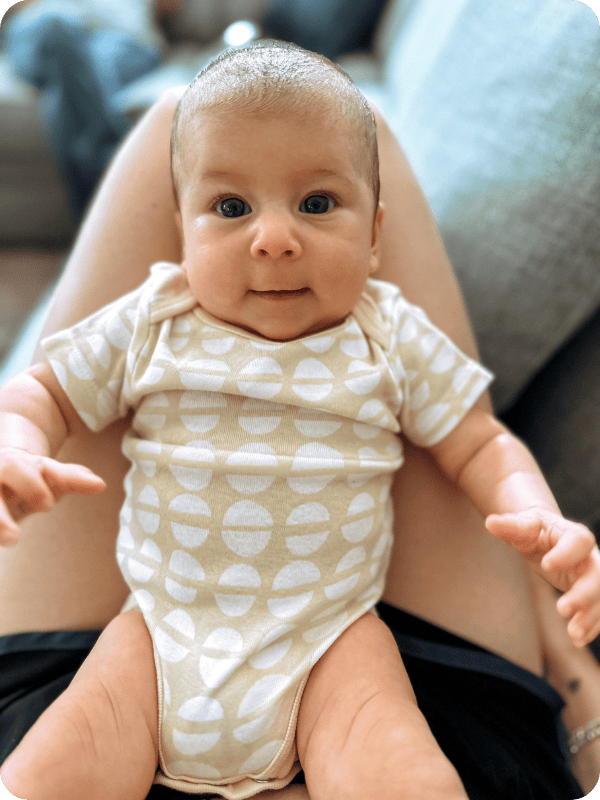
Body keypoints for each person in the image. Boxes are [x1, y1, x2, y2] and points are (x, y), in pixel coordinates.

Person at [0, 42, 597, 800]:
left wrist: (538, 517)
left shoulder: (389, 334)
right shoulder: (154, 317)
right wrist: (17, 442)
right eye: (231, 207)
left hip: (329, 645)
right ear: (179, 237)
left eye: (317, 205)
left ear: (375, 236)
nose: (274, 237)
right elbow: (41, 393)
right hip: (158, 635)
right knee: (51, 773)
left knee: (402, 772)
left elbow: (478, 438)